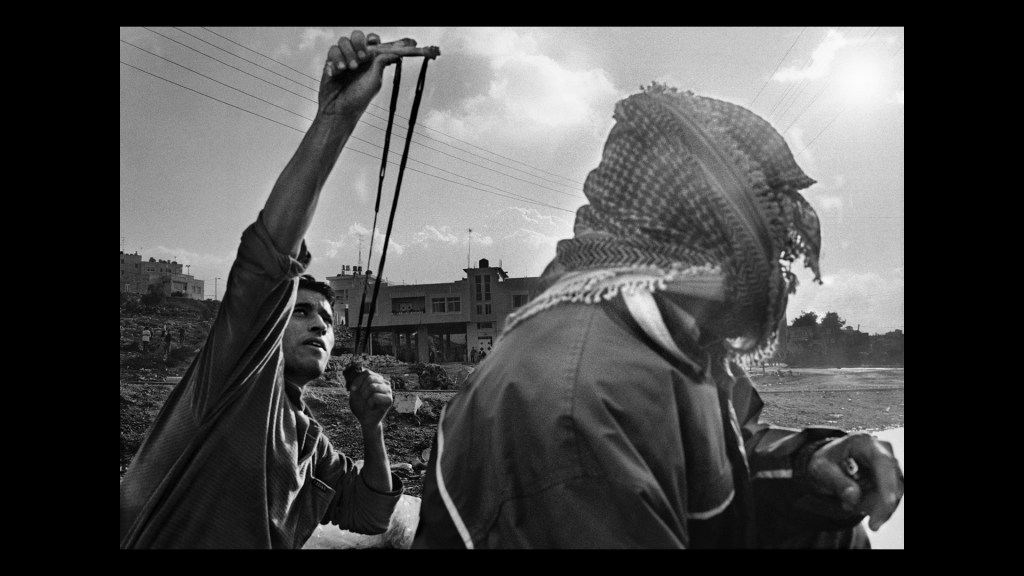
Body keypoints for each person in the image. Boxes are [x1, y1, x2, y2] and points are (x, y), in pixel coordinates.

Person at [413, 84, 904, 549]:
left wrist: (807, 466)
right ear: (712, 240)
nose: (775, 274)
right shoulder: (580, 410)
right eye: (765, 246)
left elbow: (717, 461)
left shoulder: (671, 337)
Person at [120, 30, 414, 549]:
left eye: (327, 319)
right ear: (269, 324)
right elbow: (269, 253)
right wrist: (336, 118)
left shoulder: (311, 443)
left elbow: (370, 514)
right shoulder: (235, 377)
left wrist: (372, 428)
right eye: (300, 311)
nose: (319, 323)